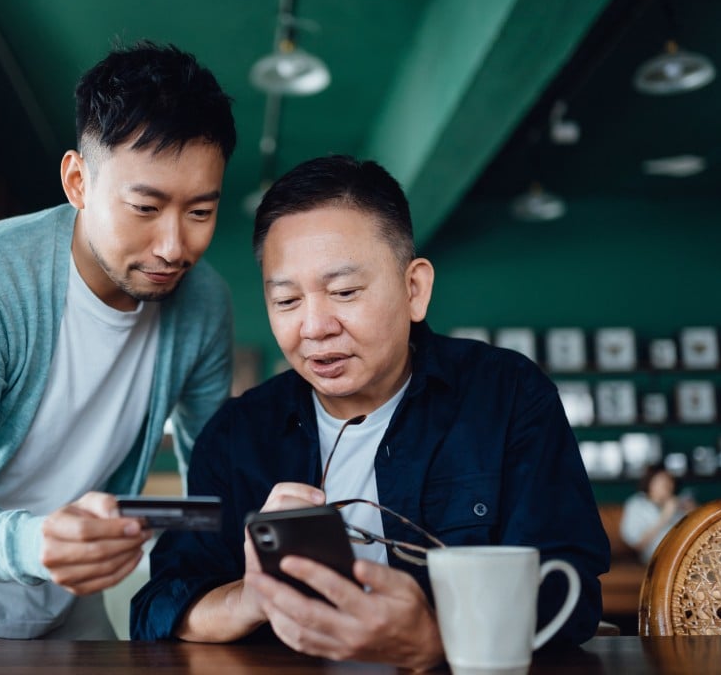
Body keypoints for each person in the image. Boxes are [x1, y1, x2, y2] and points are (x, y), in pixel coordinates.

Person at [130, 155, 610, 669]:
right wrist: (251, 597)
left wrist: (437, 639)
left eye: (343, 292)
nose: (314, 327)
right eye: (287, 301)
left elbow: (571, 590)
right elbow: (158, 605)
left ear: (414, 289)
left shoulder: (508, 395)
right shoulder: (236, 435)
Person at [0, 41, 237, 640]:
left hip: (63, 591)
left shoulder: (204, 306)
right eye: (145, 207)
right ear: (78, 181)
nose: (173, 246)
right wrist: (39, 544)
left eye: (200, 212)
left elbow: (212, 477)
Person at [620, 466, 695, 563]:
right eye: (661, 482)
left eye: (669, 481)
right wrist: (665, 516)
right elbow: (638, 545)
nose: (667, 486)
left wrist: (694, 513)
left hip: (685, 552)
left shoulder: (678, 502)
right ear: (650, 483)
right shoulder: (637, 504)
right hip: (658, 557)